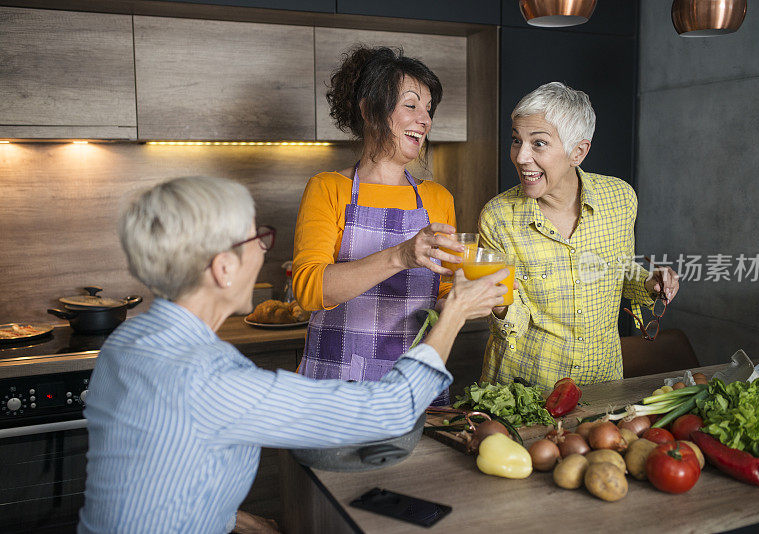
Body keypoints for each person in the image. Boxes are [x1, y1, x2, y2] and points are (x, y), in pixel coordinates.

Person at [78, 176, 507, 533]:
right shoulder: (211, 377)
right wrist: (455, 312)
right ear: (223, 268)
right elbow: (394, 409)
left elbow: (158, 478)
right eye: (257, 238)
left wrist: (242, 523)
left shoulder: (125, 344)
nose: (265, 249)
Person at [478, 82, 680, 390]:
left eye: (539, 143)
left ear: (578, 151)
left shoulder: (620, 199)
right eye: (517, 141)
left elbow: (619, 270)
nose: (520, 157)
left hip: (602, 385)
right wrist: (499, 301)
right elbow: (510, 324)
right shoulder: (498, 217)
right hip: (526, 390)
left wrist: (649, 284)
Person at [293, 46, 466, 404]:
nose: (425, 119)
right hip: (338, 385)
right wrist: (401, 255)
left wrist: (471, 296)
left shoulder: (438, 199)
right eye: (411, 104)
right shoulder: (328, 188)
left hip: (416, 384)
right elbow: (309, 290)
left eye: (429, 110)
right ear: (370, 107)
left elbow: (444, 290)